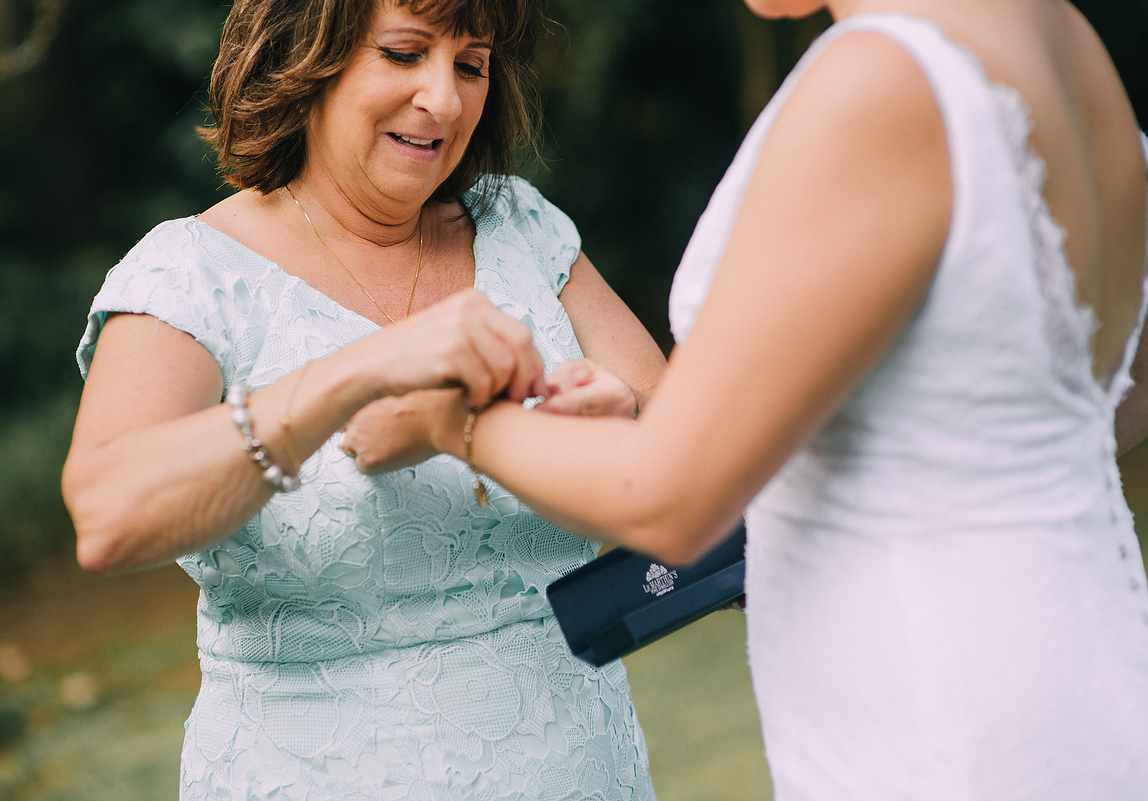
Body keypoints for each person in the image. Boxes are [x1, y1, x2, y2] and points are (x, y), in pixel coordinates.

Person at [346, 0, 1148, 796]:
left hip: (943, 718)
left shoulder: (881, 78)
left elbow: (668, 499)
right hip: (1086, 664)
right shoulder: (1068, 48)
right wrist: (699, 414)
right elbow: (1108, 399)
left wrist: (450, 419)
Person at [60, 0, 667, 797]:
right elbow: (108, 514)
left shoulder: (519, 227)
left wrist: (615, 419)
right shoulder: (192, 272)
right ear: (305, 55)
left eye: (470, 63)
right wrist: (359, 370)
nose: (445, 100)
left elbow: (692, 453)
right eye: (405, 53)